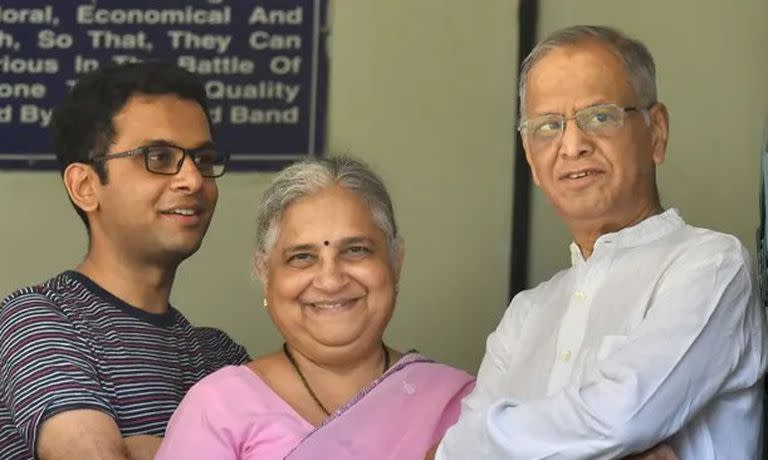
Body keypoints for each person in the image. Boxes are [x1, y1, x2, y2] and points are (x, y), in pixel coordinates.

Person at [435, 25, 768, 459]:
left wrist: (484, 442)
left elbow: (622, 419)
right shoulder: (525, 316)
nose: (572, 145)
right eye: (548, 126)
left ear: (657, 132)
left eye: (600, 116)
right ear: (531, 159)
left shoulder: (710, 267)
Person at [0, 62, 249, 460]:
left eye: (203, 159)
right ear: (85, 186)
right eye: (159, 157)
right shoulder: (37, 319)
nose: (193, 180)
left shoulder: (219, 358)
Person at [154, 156, 476, 459]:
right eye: (302, 257)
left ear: (395, 262)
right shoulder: (218, 407)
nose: (330, 280)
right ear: (265, 274)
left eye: (356, 250)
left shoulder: (461, 404)